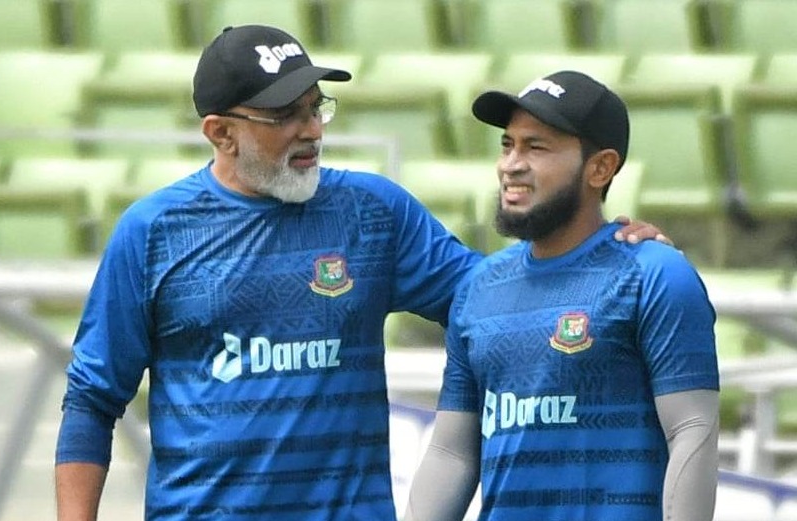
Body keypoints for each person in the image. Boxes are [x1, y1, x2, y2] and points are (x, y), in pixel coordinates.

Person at [54, 25, 671, 521]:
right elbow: (91, 398)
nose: (312, 129)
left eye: (316, 107)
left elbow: (500, 303)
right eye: (284, 116)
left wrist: (604, 248)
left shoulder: (374, 213)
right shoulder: (154, 231)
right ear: (220, 132)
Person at [404, 71, 720, 521]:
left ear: (600, 167)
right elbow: (452, 453)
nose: (511, 164)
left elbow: (692, 431)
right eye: (507, 144)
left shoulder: (656, 275)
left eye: (536, 147)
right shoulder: (479, 287)